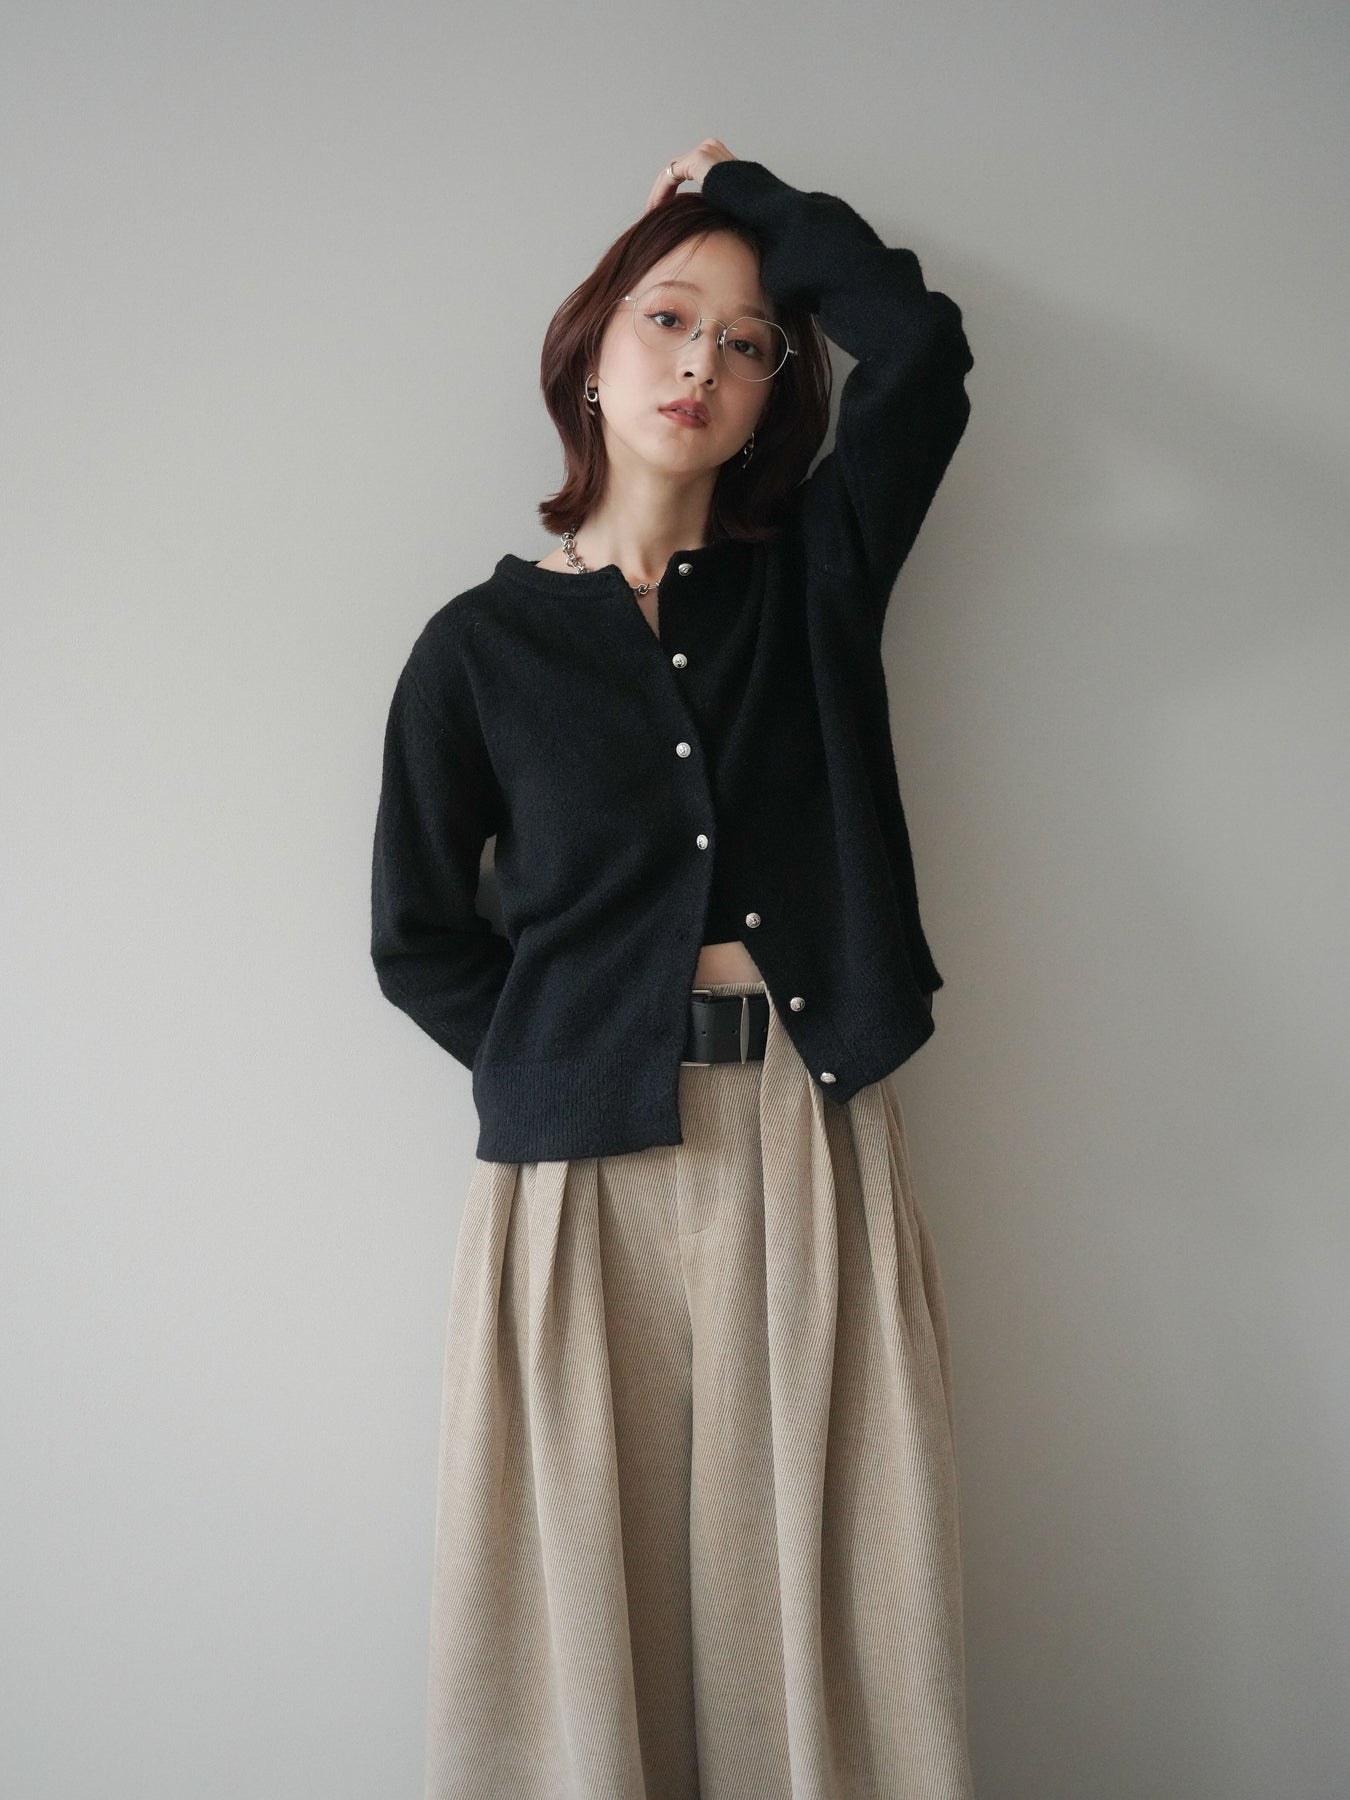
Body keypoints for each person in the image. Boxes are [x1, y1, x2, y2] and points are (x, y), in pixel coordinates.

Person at [371, 137, 976, 1800]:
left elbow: (920, 352)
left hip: (802, 1127)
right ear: (590, 350)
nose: (700, 359)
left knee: (835, 1576)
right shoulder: (477, 648)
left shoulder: (813, 582)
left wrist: (753, 198)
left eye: (746, 339)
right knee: (574, 1583)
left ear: (775, 394)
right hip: (579, 1169)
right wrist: (567, 1052)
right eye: (666, 315)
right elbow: (418, 938)